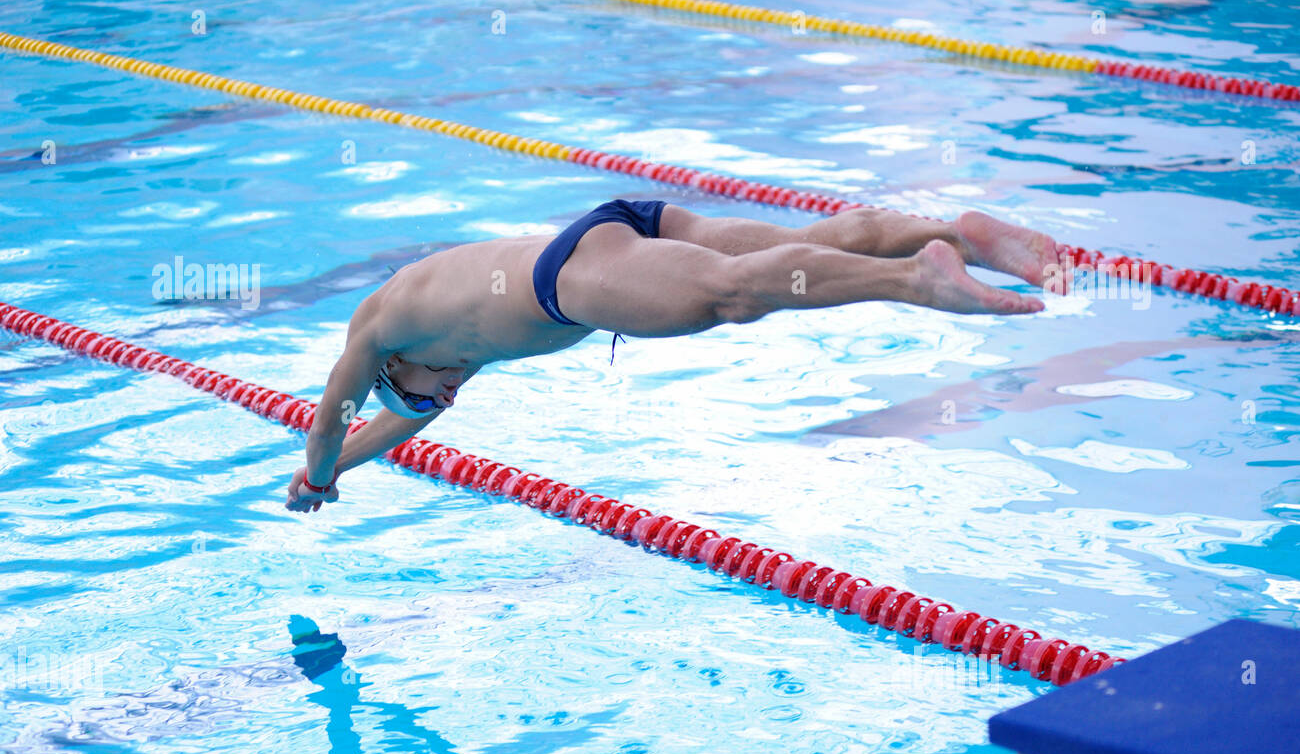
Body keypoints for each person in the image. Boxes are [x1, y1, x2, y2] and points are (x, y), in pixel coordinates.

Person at [285, 199, 1064, 512]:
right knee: (808, 245)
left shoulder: (378, 331)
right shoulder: (447, 347)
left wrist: (316, 479)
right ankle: (968, 237)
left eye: (423, 397)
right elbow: (390, 428)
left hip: (573, 275)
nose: (441, 399)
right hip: (622, 228)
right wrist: (347, 470)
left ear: (394, 373)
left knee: (733, 294)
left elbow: (329, 424)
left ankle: (916, 276)